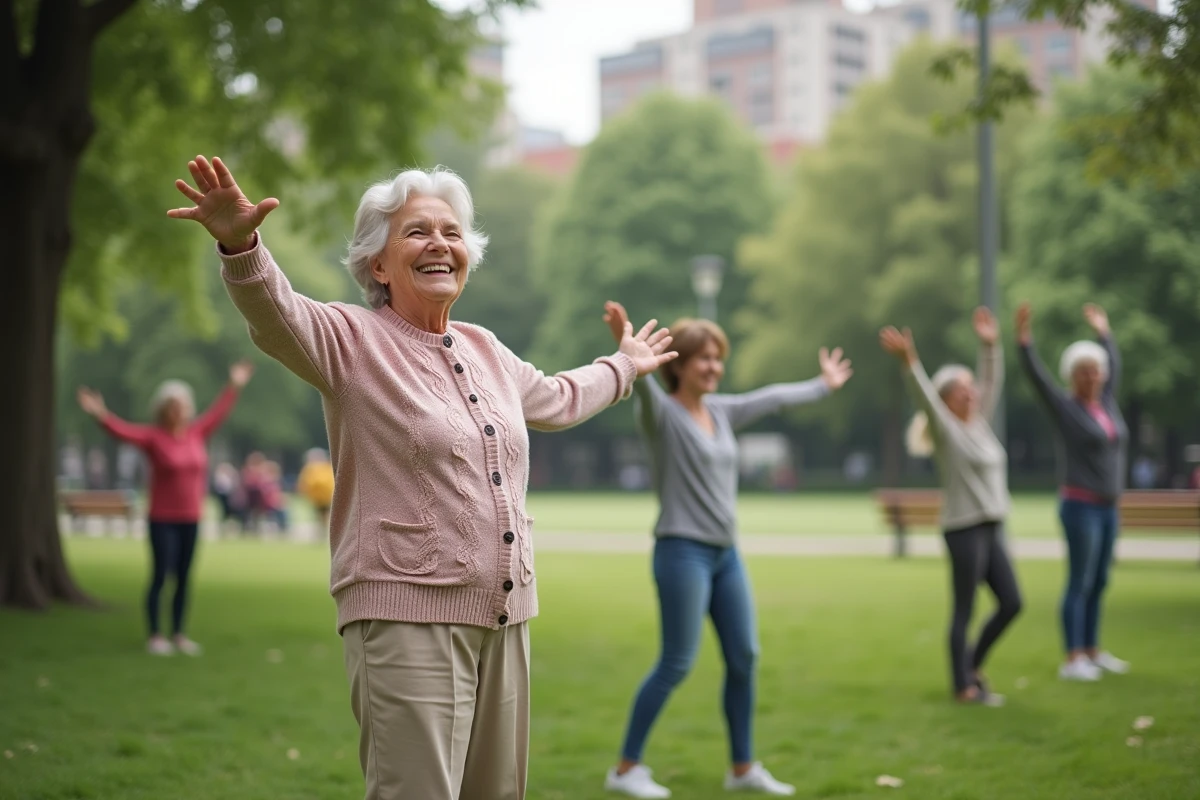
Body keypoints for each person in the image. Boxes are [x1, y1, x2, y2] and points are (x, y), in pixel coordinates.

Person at [167, 155, 677, 800]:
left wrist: (623, 365)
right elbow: (278, 316)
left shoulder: (485, 348)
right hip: (404, 617)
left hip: (507, 618)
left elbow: (555, 397)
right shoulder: (352, 341)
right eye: (416, 232)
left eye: (452, 232)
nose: (440, 243)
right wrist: (240, 245)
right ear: (377, 265)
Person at [602, 301, 852, 799]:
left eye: (718, 358)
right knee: (677, 661)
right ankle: (626, 769)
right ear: (679, 364)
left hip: (724, 556)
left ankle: (742, 769)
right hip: (681, 552)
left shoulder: (721, 410)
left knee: (744, 657)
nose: (714, 366)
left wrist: (823, 385)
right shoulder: (661, 415)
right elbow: (644, 388)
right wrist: (623, 349)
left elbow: (773, 397)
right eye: (703, 358)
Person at [879, 309, 1022, 706]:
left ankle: (971, 666)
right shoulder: (947, 429)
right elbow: (924, 397)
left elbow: (992, 381)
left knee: (1012, 602)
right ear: (946, 401)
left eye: (970, 388)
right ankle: (963, 687)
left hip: (991, 524)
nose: (971, 393)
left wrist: (990, 346)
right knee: (965, 609)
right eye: (962, 390)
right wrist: (911, 364)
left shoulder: (979, 423)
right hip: (963, 527)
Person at [77, 362, 253, 655]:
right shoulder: (153, 437)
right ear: (162, 410)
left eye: (182, 405)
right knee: (161, 575)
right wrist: (100, 414)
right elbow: (122, 432)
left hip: (191, 518)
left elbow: (218, 413)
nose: (177, 411)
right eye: (172, 406)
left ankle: (179, 634)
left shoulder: (197, 433)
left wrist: (234, 385)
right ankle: (156, 635)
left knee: (184, 577)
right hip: (162, 518)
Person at [1015, 302, 1130, 681]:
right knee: (1079, 582)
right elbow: (1040, 381)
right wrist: (1024, 342)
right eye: (1083, 371)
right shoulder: (1067, 408)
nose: (1092, 376)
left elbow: (1115, 362)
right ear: (1073, 376)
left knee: (1100, 581)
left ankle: (1093, 651)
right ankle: (1073, 658)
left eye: (1096, 369)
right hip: (1081, 507)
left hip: (1109, 508)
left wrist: (1104, 331)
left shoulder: (1107, 404)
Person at [298, 447, 336, 541]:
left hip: (326, 497)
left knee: (325, 517)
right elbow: (305, 483)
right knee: (321, 517)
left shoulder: (324, 467)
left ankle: (324, 534)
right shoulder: (311, 468)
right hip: (318, 497)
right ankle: (322, 534)